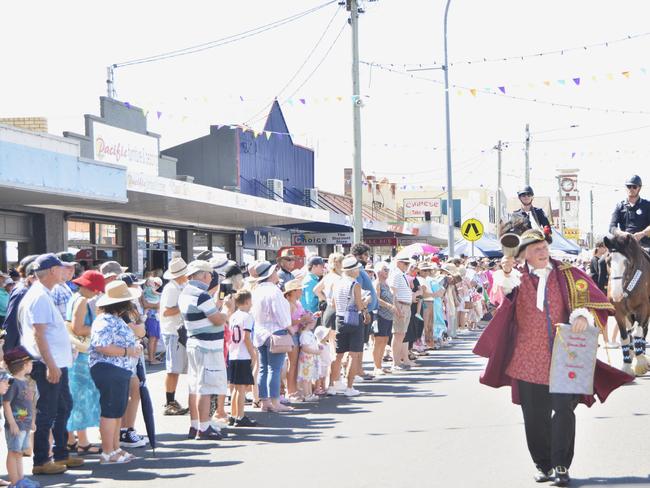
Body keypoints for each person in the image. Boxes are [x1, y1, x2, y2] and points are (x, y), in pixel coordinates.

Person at [474, 229, 633, 486]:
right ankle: (543, 464)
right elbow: (500, 296)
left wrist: (582, 316)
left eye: (544, 246)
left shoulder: (568, 274)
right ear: (523, 254)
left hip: (564, 357)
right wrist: (504, 272)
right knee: (534, 418)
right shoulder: (515, 278)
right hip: (526, 360)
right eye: (535, 248)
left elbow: (596, 301)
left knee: (563, 412)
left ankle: (560, 465)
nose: (542, 251)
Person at [19, 253, 84, 475]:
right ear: (54, 271)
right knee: (48, 410)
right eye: (61, 268)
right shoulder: (39, 296)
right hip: (48, 363)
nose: (65, 272)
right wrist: (50, 364)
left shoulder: (43, 293)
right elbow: (39, 334)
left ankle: (60, 453)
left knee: (63, 406)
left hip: (55, 361)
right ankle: (41, 460)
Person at [89, 280, 142, 464]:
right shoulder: (105, 320)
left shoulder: (113, 319)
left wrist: (131, 349)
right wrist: (128, 351)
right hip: (109, 369)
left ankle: (115, 448)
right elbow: (101, 345)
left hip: (118, 368)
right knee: (111, 411)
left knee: (117, 411)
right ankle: (107, 452)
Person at [178, 260, 230, 441]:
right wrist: (227, 311)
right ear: (205, 275)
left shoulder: (186, 292)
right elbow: (217, 319)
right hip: (206, 346)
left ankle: (195, 425)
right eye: (210, 275)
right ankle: (204, 427)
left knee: (194, 386)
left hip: (194, 343)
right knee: (205, 387)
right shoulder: (201, 295)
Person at [65, 270, 105, 456]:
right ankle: (82, 442)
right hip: (81, 357)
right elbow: (78, 328)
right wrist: (97, 327)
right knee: (80, 398)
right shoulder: (82, 301)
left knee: (74, 397)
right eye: (97, 289)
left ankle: (71, 439)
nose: (98, 293)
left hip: (74, 354)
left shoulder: (75, 297)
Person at [250, 261, 293, 413]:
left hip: (260, 332)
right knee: (274, 368)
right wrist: (289, 327)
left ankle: (265, 401)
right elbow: (281, 314)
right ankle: (275, 401)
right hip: (275, 332)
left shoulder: (256, 291)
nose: (277, 273)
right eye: (275, 271)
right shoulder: (274, 291)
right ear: (270, 274)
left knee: (263, 368)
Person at [330, 255, 368, 397]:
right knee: (353, 354)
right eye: (357, 269)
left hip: (339, 318)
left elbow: (332, 304)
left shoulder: (337, 283)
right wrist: (365, 305)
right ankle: (349, 387)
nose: (358, 271)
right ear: (352, 270)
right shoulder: (355, 284)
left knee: (338, 354)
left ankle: (332, 385)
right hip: (353, 319)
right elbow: (359, 304)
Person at [2, 346, 38, 488]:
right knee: (13, 452)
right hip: (16, 426)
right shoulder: (13, 383)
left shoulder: (26, 382)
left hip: (24, 425)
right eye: (30, 363)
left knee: (19, 453)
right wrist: (12, 423)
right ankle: (15, 482)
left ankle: (21, 480)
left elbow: (30, 405)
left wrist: (32, 421)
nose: (32, 365)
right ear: (24, 365)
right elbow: (6, 404)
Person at [160, 258, 190, 416]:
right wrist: (184, 305)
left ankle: (171, 400)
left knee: (176, 369)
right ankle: (169, 401)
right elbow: (167, 311)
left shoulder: (179, 286)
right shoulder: (172, 288)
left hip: (177, 331)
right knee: (173, 369)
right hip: (173, 332)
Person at [227, 290, 257, 427]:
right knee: (241, 388)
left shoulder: (233, 316)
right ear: (246, 302)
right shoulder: (247, 317)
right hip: (242, 354)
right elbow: (246, 337)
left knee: (234, 387)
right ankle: (240, 415)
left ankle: (234, 414)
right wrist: (253, 354)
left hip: (233, 353)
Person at [609, 174, 650, 252]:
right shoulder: (619, 206)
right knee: (602, 261)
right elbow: (612, 227)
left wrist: (642, 234)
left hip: (644, 244)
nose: (631, 189)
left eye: (634, 187)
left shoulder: (647, 205)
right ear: (626, 188)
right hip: (624, 244)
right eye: (629, 186)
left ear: (639, 188)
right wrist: (621, 233)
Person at [388, 256, 414, 372]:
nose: (407, 266)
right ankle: (396, 362)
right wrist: (397, 308)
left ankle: (398, 361)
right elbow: (392, 292)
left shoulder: (401, 274)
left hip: (405, 305)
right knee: (398, 334)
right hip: (401, 305)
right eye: (405, 263)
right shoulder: (396, 274)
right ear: (398, 263)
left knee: (401, 335)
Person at [372, 261, 394, 375]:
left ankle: (380, 364)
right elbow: (377, 299)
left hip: (389, 315)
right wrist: (389, 306)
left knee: (385, 339)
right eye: (385, 270)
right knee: (379, 340)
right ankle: (376, 366)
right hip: (380, 314)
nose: (387, 272)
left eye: (388, 270)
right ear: (379, 271)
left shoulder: (386, 284)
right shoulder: (377, 284)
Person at [314, 252, 344, 330]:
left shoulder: (328, 277)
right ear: (339, 264)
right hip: (337, 311)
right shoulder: (339, 278)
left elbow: (316, 290)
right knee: (334, 339)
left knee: (328, 338)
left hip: (328, 310)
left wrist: (326, 299)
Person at [297, 314, 320, 402]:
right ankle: (306, 395)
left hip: (310, 359)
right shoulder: (304, 334)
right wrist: (316, 352)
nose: (313, 323)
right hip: (306, 359)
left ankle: (310, 394)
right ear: (307, 324)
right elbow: (305, 348)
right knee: (306, 378)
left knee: (309, 377)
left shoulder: (309, 333)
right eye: (312, 322)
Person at [142, 277, 162, 365]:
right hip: (151, 317)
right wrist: (157, 305)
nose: (156, 285)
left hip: (156, 317)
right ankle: (151, 359)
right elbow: (146, 305)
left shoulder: (151, 291)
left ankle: (153, 358)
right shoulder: (145, 291)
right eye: (155, 283)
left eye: (158, 284)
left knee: (156, 338)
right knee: (152, 338)